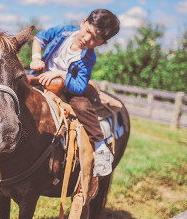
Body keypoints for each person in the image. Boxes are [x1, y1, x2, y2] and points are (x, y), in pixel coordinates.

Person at [29, 9, 121, 176]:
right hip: (41, 77)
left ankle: (100, 147)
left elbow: (79, 86)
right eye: (87, 31)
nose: (87, 39)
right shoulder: (64, 30)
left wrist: (62, 75)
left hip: (66, 88)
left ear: (102, 44)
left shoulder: (88, 58)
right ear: (83, 22)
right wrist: (36, 57)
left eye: (95, 39)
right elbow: (40, 37)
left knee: (82, 105)